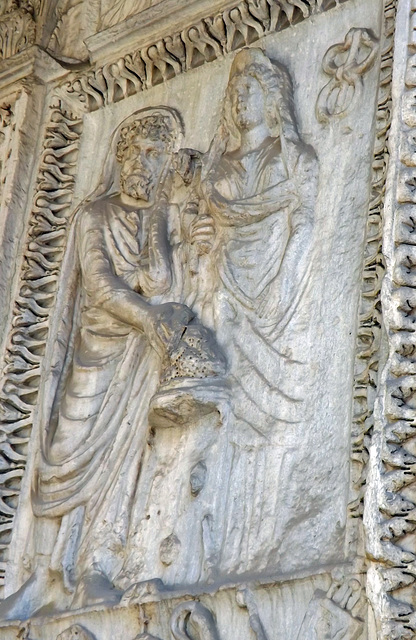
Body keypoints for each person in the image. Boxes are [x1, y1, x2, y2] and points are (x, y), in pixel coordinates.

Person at [0, 107, 224, 618]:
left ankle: (96, 570)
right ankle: (40, 575)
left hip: (136, 360)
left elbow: (162, 283)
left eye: (155, 156)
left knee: (122, 465)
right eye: (138, 153)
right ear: (121, 158)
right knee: (66, 455)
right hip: (95, 352)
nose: (144, 164)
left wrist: (164, 212)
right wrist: (147, 317)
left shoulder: (157, 217)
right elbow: (99, 285)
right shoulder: (94, 215)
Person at [184, 48, 319, 575]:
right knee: (222, 422)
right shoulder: (217, 174)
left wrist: (281, 295)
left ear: (273, 97)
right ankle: (209, 554)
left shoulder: (295, 162)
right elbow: (200, 241)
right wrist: (201, 249)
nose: (241, 100)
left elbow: (305, 228)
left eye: (251, 90)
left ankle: (259, 551)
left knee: (267, 430)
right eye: (235, 92)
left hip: (274, 310)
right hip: (224, 305)